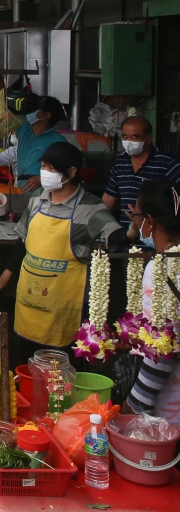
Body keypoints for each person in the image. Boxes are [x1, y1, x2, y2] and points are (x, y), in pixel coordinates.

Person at [0, 142, 126, 359]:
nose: (45, 173)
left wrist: (134, 231)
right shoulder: (38, 198)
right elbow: (23, 240)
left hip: (63, 305)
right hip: (28, 299)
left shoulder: (90, 208)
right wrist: (5, 276)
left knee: (57, 369)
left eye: (51, 168)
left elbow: (115, 236)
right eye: (43, 166)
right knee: (23, 360)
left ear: (71, 173)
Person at [123, 180, 180, 424]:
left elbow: (162, 350)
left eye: (136, 216)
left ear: (150, 221)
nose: (135, 224)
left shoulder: (159, 270)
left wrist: (134, 405)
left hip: (169, 413)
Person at [102, 116, 180, 231]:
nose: (129, 142)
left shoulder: (167, 163)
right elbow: (109, 197)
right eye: (125, 136)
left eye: (134, 137)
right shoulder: (120, 162)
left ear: (148, 139)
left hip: (157, 236)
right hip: (126, 236)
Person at [0, 96, 68, 192]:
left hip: (43, 194)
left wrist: (40, 179)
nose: (30, 112)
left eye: (36, 109)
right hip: (20, 191)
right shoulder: (24, 129)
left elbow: (66, 172)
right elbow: (4, 108)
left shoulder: (58, 140)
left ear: (47, 115)